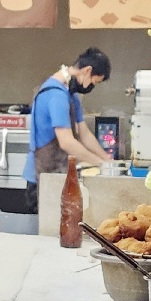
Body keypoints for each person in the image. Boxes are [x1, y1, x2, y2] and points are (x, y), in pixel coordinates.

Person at [22, 47, 113, 214]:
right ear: (87, 71)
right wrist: (100, 164)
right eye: (94, 82)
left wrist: (108, 161)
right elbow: (67, 142)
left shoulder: (70, 95)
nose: (91, 86)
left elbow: (84, 134)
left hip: (58, 174)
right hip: (42, 179)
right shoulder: (56, 95)